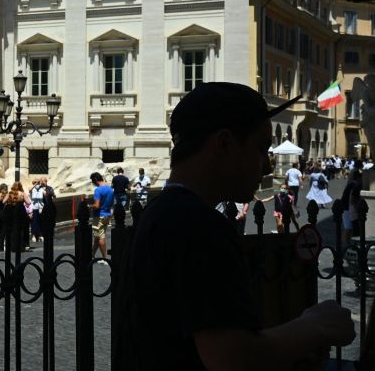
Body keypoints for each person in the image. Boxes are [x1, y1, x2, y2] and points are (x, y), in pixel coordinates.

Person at [111, 82, 355, 369]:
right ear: (224, 144)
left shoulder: (156, 214)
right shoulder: (199, 226)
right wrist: (316, 326)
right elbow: (232, 358)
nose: (266, 166)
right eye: (261, 148)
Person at [90, 173, 113, 260]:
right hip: (107, 215)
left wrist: (89, 206)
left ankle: (105, 258)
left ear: (95, 180)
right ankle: (92, 255)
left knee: (100, 238)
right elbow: (111, 203)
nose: (93, 183)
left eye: (93, 181)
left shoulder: (98, 190)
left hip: (99, 216)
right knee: (98, 236)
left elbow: (96, 205)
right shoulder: (110, 188)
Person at [29, 179, 46, 246]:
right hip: (34, 208)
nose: (37, 184)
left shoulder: (41, 189)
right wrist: (35, 184)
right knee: (34, 222)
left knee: (40, 222)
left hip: (41, 208)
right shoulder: (32, 190)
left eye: (38, 183)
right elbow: (29, 190)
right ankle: (33, 235)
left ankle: (40, 235)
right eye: (36, 183)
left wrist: (42, 185)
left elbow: (45, 193)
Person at [0, 182, 9, 252]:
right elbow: (4, 202)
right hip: (4, 213)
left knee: (0, 230)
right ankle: (1, 247)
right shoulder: (5, 195)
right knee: (4, 230)